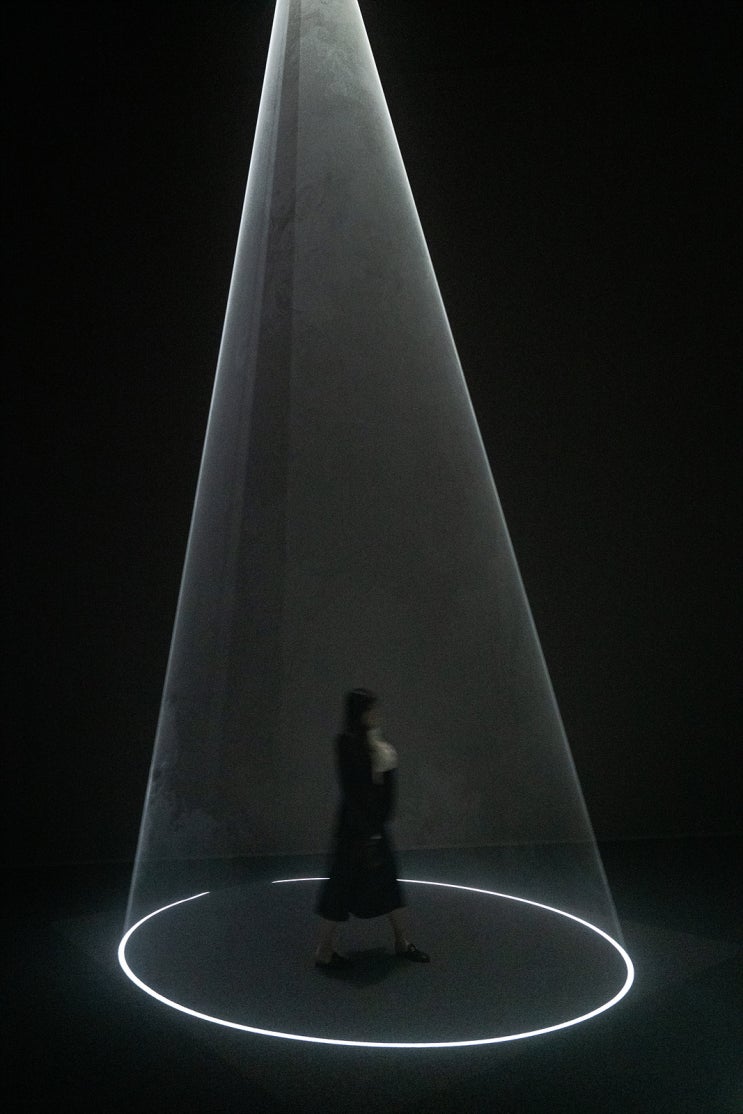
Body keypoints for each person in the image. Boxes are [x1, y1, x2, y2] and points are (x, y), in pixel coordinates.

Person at [314, 688, 429, 968]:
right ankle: (324, 951)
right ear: (361, 712)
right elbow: (355, 788)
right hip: (356, 827)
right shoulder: (348, 743)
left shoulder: (373, 743)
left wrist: (377, 823)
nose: (376, 714)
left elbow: (381, 787)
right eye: (371, 709)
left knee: (383, 882)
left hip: (369, 824)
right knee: (341, 886)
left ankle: (401, 941)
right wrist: (370, 828)